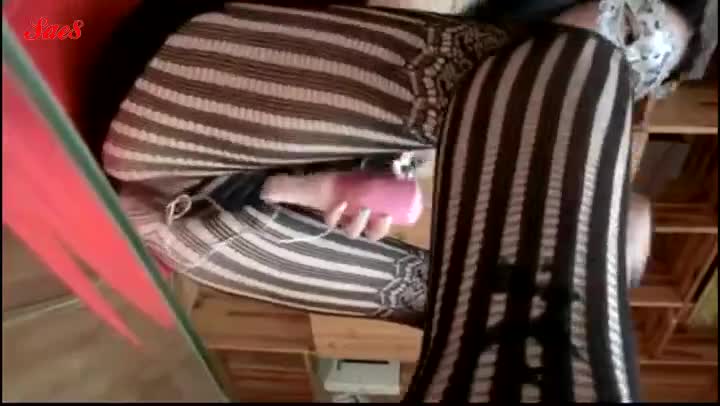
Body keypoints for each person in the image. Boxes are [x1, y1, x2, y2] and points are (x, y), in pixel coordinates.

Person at [92, 1, 692, 401]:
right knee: (629, 46)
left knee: (453, 293)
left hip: (174, 192)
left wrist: (311, 188)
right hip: (175, 79)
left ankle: (551, 267)